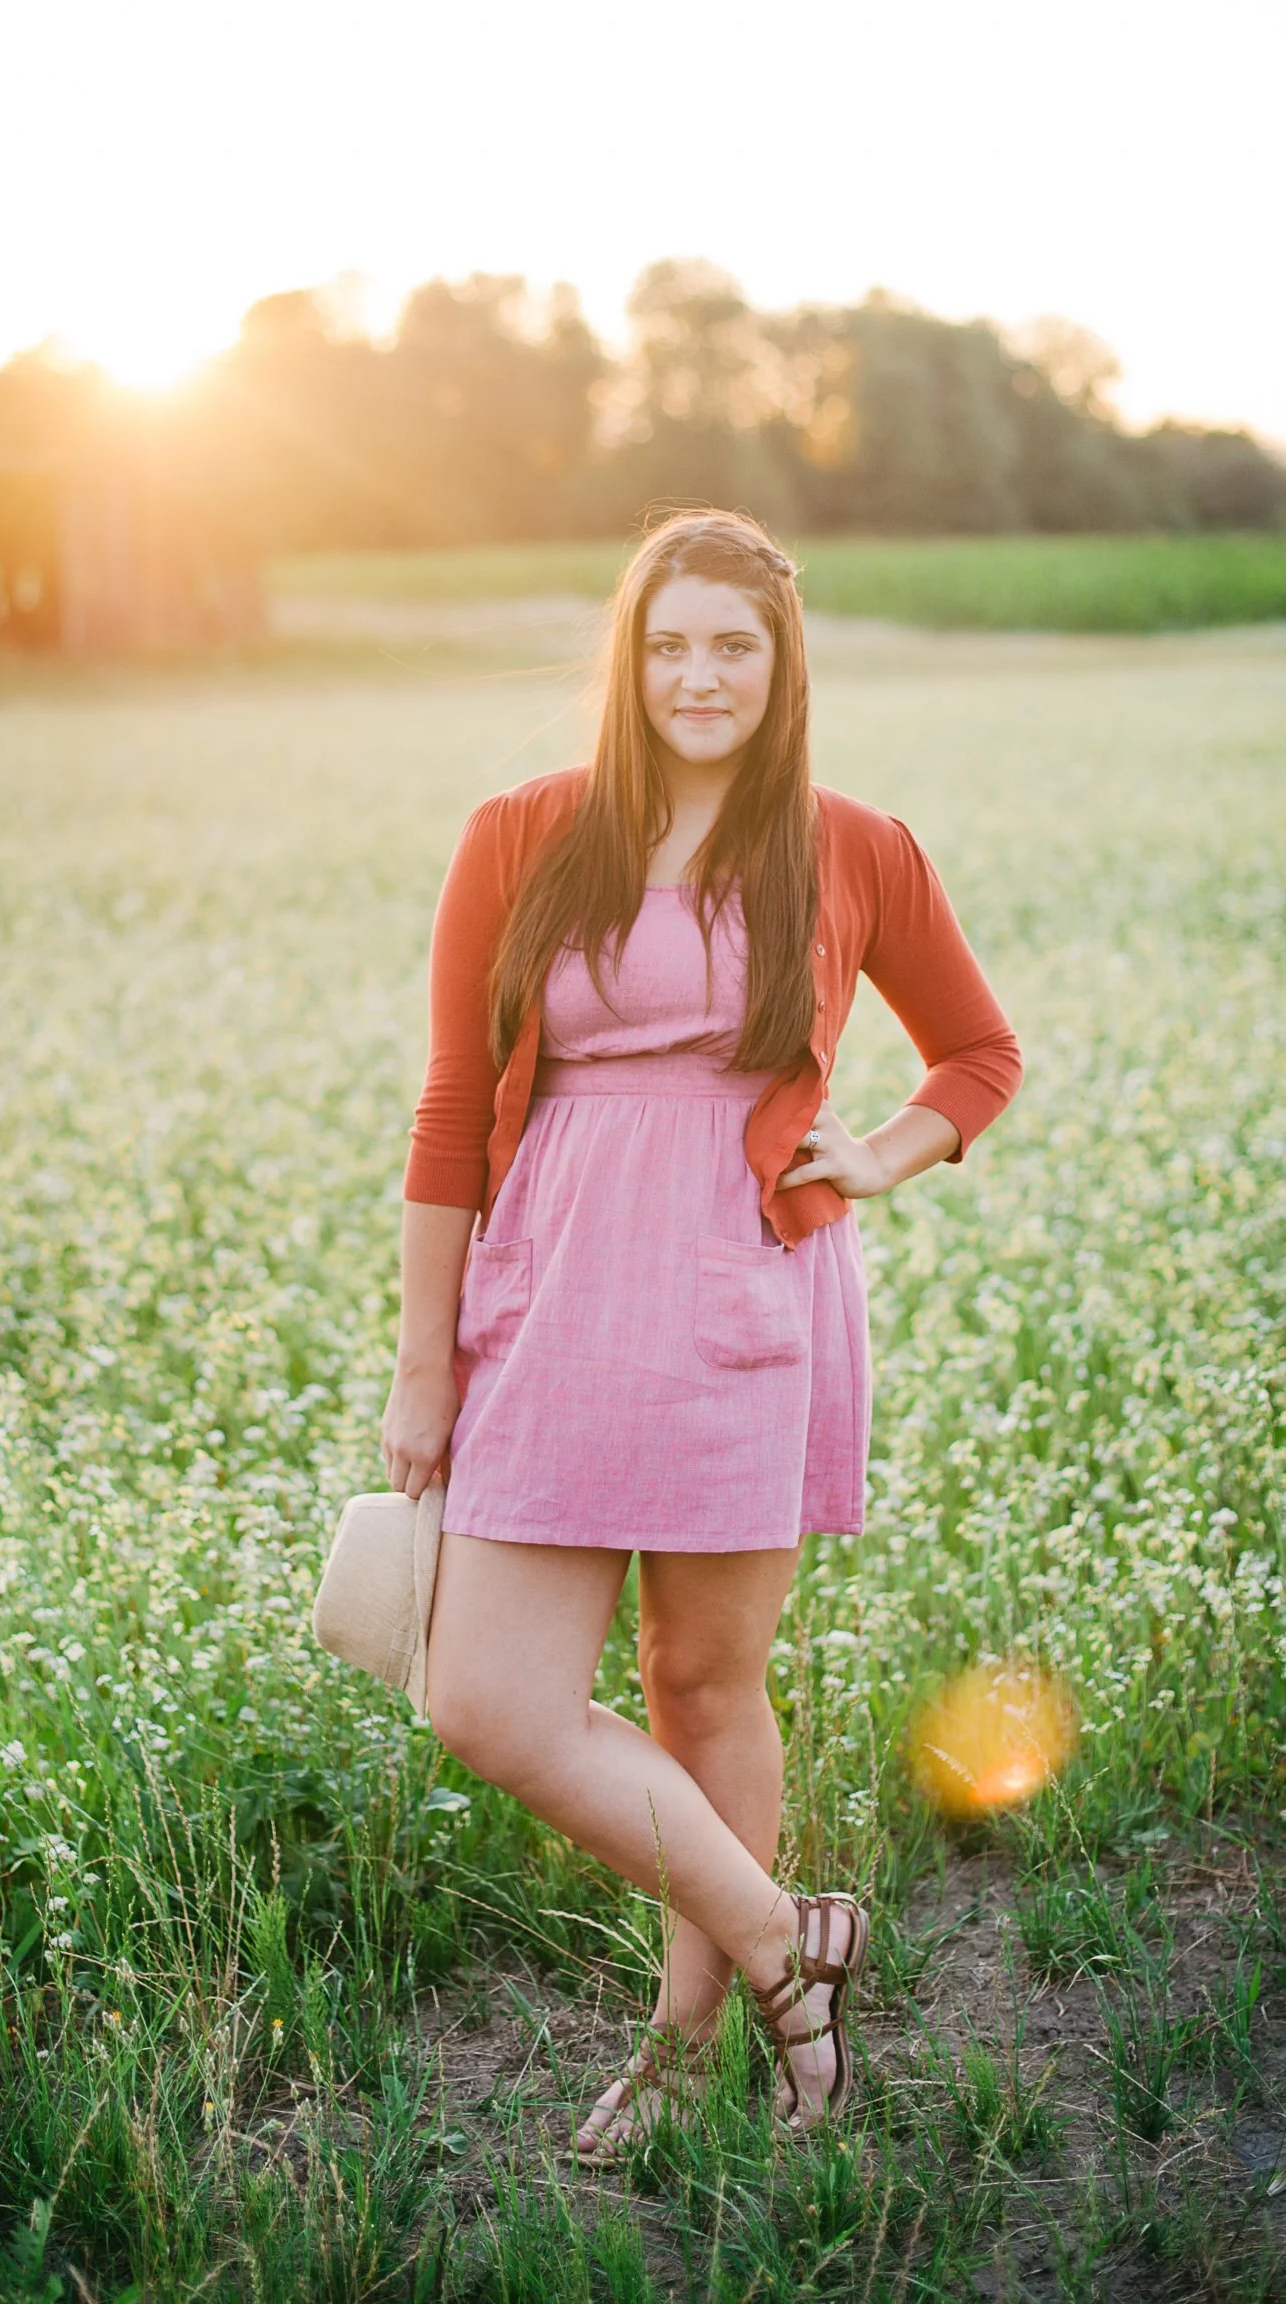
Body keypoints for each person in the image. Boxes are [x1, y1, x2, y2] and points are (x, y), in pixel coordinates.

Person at [380, 510, 1022, 2153]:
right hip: (554, 1284)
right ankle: (784, 1941)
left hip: (747, 1287)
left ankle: (686, 2048)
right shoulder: (526, 832)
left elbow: (979, 1054)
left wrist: (880, 1153)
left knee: (703, 1680)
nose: (699, 674)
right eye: (669, 642)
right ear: (629, 657)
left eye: (734, 643)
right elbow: (457, 1105)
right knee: (486, 1699)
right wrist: (421, 1361)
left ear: (781, 661)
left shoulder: (852, 846)